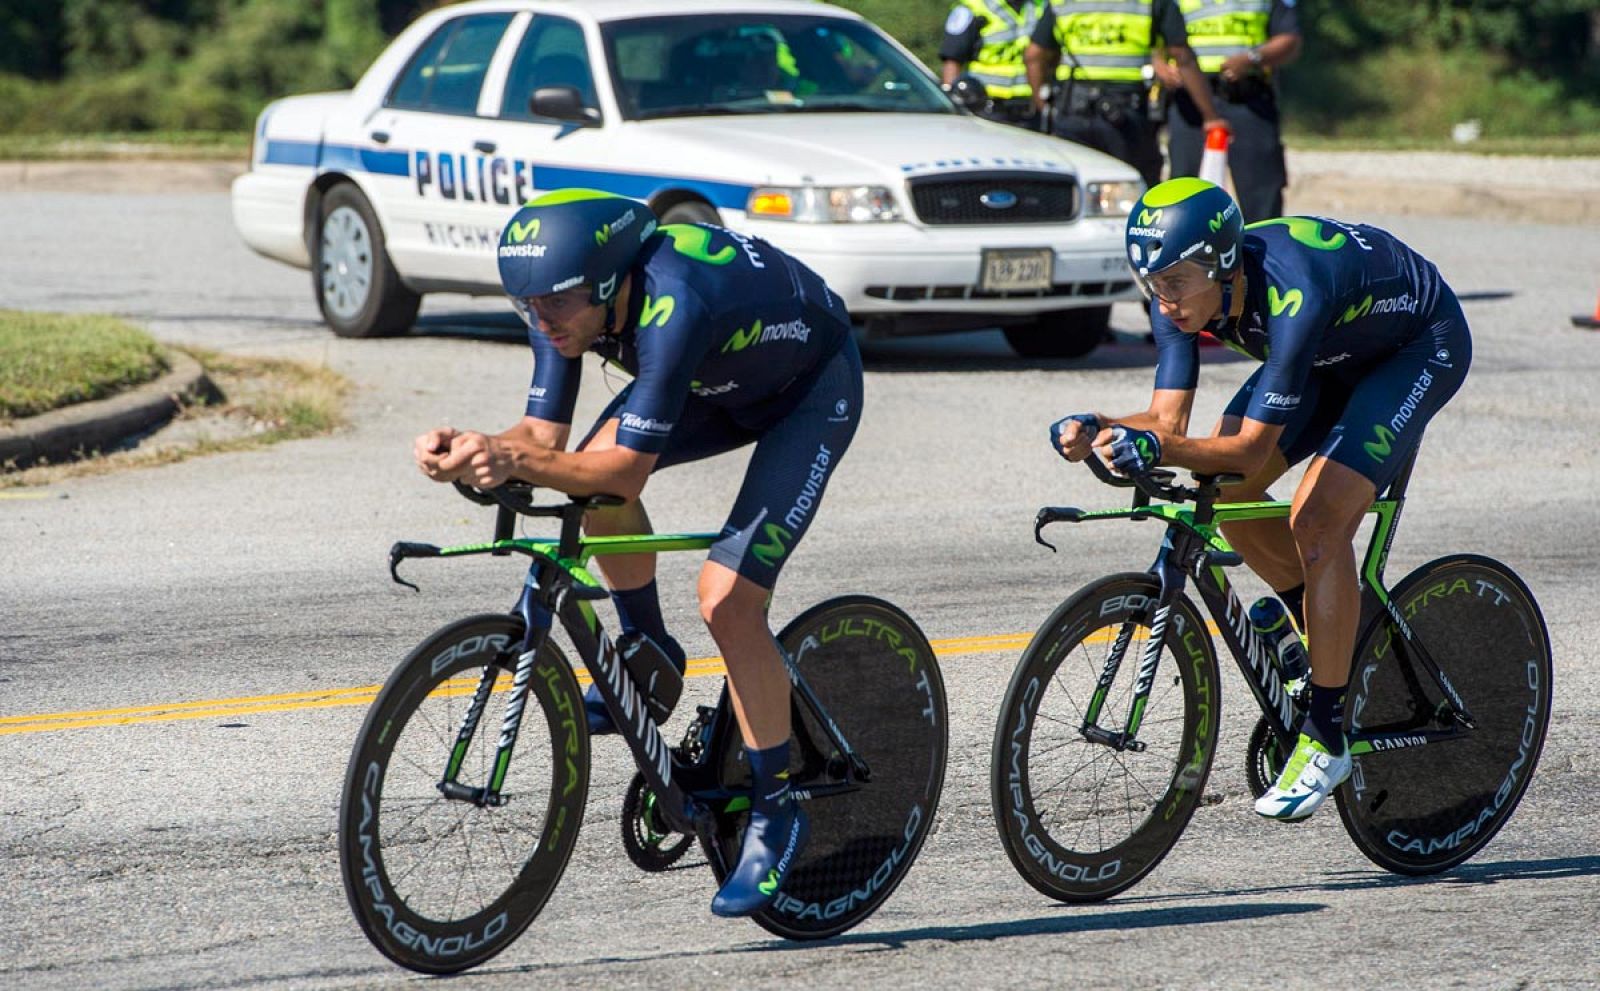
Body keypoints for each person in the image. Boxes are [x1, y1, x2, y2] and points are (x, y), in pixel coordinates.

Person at [414, 189, 863, 916]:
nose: (541, 319)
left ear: (604, 282)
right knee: (587, 474)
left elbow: (622, 474)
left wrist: (512, 460)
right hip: (712, 379)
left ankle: (776, 809)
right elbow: (542, 439)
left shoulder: (673, 300)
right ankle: (650, 647)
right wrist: (473, 448)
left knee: (727, 598)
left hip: (808, 393)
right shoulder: (562, 306)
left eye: (554, 303)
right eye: (525, 303)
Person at [1050, 178, 1471, 821]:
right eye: (1151, 284)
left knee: (1318, 523)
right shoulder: (1181, 299)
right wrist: (1102, 423)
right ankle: (1325, 628)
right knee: (1226, 495)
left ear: (1221, 265)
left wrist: (1158, 449)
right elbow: (1167, 421)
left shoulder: (1291, 290)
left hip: (1416, 348)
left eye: (1173, 283)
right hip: (1334, 352)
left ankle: (1328, 737)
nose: (1162, 303)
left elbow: (1244, 448)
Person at [1025, 0, 1226, 186]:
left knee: (1076, 189)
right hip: (1127, 117)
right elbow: (1182, 56)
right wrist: (1210, 115)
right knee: (1135, 187)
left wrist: (1044, 106)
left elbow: (1034, 55)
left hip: (1072, 112)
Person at [1153, 0, 1302, 222]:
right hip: (1190, 102)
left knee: (1261, 193)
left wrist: (1253, 58)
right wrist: (1159, 64)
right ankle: (1186, 253)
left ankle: (1264, 252)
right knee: (1184, 192)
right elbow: (1153, 35)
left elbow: (1290, 38)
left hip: (1247, 99)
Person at [940, 0, 1049, 129]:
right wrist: (953, 105)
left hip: (1029, 111)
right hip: (985, 109)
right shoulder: (974, 8)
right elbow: (952, 62)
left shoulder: (1040, 7)